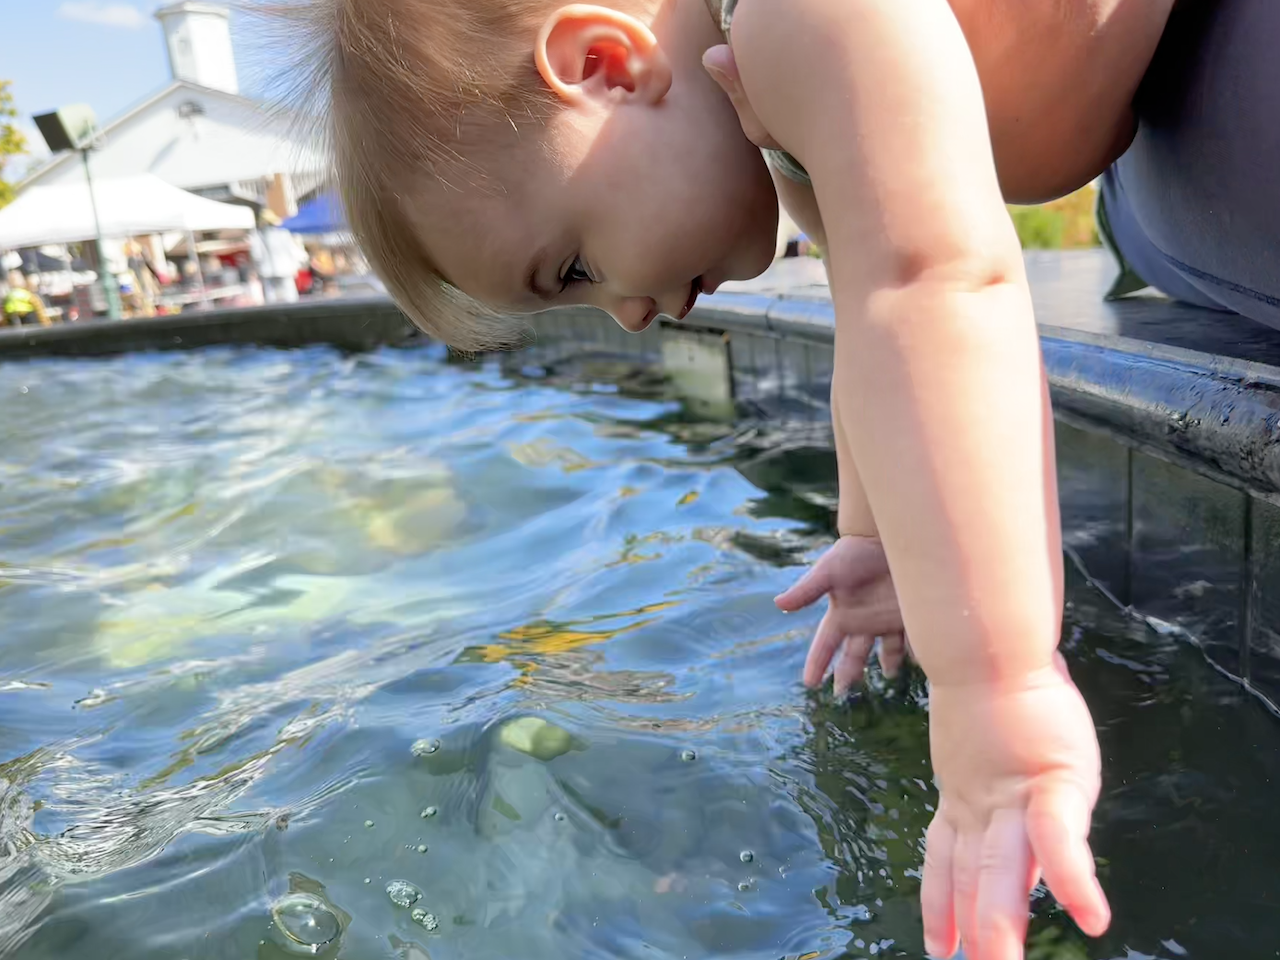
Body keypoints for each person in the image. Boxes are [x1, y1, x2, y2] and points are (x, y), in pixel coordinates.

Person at [293, 0, 1279, 955]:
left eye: (575, 270)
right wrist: (874, 532)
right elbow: (871, 307)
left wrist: (994, 685)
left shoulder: (791, 20)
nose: (626, 316)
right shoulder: (769, 101)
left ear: (603, 65)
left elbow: (934, 284)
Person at [248, 210, 306, 304]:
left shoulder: (258, 235)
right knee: (290, 294)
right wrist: (296, 263)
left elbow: (256, 254)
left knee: (270, 295)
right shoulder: (284, 232)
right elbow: (292, 249)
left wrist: (257, 266)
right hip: (286, 267)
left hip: (267, 268)